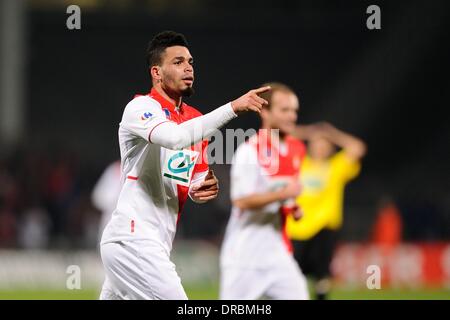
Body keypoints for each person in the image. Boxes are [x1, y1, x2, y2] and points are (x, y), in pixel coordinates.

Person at [99, 30, 271, 300]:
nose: (188, 68)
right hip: (133, 239)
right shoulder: (141, 108)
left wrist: (200, 188)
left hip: (154, 242)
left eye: (190, 62)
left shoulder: (194, 120)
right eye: (178, 62)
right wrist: (233, 108)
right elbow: (174, 138)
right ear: (156, 72)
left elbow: (191, 179)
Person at [220, 82, 309, 300]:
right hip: (244, 257)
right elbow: (240, 200)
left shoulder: (296, 149)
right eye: (285, 110)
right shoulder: (249, 151)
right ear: (266, 112)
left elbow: (281, 194)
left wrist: (292, 208)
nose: (292, 116)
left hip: (277, 254)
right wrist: (284, 195)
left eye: (294, 111)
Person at [287, 122, 367, 300]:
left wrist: (331, 133)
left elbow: (358, 148)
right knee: (291, 273)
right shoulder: (299, 163)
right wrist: (310, 132)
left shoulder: (336, 166)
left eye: (324, 144)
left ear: (330, 148)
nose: (320, 147)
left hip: (324, 228)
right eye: (316, 144)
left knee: (322, 274)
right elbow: (278, 136)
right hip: (297, 228)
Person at [91, 160, 121, 241]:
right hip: (109, 220)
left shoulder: (139, 169)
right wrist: (113, 202)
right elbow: (97, 197)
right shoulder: (113, 170)